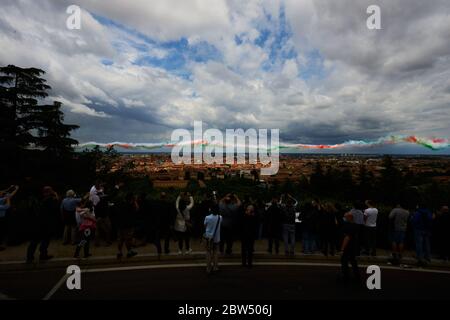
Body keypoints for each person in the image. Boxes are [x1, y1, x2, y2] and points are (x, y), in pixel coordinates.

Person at [26, 186, 60, 263]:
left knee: (35, 240)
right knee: (45, 240)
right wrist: (56, 195)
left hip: (37, 223)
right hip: (46, 224)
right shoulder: (50, 200)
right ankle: (43, 255)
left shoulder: (40, 200)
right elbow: (57, 205)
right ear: (49, 192)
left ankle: (30, 257)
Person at [339, 211, 361, 284]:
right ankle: (357, 276)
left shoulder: (347, 226)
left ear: (349, 217)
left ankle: (345, 276)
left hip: (347, 248)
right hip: (353, 247)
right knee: (353, 262)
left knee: (344, 262)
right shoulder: (356, 226)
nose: (344, 218)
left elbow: (347, 238)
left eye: (345, 217)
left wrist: (342, 249)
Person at [116, 193, 138, 259]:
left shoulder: (120, 204)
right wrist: (135, 201)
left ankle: (119, 252)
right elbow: (137, 209)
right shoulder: (130, 205)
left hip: (120, 224)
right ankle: (129, 252)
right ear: (131, 199)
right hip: (128, 225)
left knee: (120, 239)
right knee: (128, 239)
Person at [412, 202, 433, 267]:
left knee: (419, 245)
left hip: (418, 230)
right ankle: (428, 258)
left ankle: (420, 259)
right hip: (427, 230)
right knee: (427, 245)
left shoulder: (417, 213)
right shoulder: (429, 212)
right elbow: (431, 220)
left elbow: (414, 221)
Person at [204, 204, 222, 274]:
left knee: (208, 252)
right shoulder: (220, 217)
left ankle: (208, 268)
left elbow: (205, 226)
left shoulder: (207, 217)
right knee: (215, 252)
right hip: (217, 237)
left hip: (208, 238)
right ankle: (215, 267)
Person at [0, 185, 19, 251]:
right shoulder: (1, 200)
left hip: (2, 218)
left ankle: (2, 244)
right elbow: (7, 206)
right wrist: (8, 198)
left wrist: (10, 188)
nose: (2, 193)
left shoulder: (1, 199)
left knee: (3, 232)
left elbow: (5, 192)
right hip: (0, 219)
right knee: (1, 232)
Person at [241, 200, 259, 268]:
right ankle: (244, 262)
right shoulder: (244, 215)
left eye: (250, 209)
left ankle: (249, 263)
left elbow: (256, 224)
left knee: (250, 250)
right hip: (244, 234)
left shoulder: (254, 216)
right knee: (244, 250)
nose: (249, 210)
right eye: (248, 209)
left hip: (250, 235)